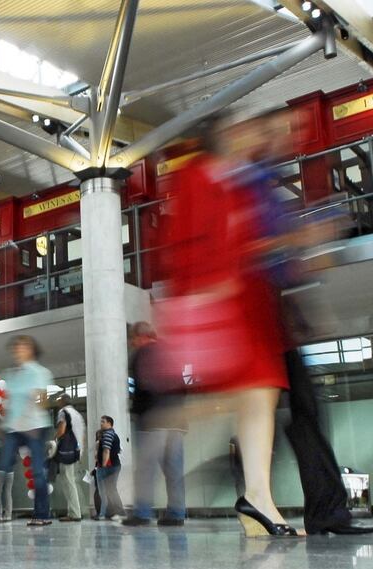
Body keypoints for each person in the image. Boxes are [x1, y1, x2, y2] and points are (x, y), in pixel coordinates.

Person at [232, 112, 373, 536]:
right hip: (264, 311)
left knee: (299, 413)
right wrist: (301, 239)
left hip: (278, 309)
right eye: (273, 129)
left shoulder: (265, 184)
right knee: (291, 412)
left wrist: (303, 260)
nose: (283, 137)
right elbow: (251, 246)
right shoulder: (248, 182)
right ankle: (310, 508)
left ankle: (317, 509)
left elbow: (277, 250)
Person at [151, 122, 296, 537]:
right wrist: (204, 286)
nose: (253, 138)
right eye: (242, 131)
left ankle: (259, 498)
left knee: (259, 397)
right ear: (224, 135)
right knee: (250, 395)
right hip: (223, 299)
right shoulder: (197, 174)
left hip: (247, 300)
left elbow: (248, 236)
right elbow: (184, 241)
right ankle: (256, 497)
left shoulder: (236, 178)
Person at [125, 322, 186, 527]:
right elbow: (183, 386)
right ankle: (177, 513)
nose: (132, 343)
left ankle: (142, 513)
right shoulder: (172, 353)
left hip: (153, 420)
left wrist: (136, 410)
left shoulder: (141, 354)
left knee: (145, 468)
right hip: (176, 420)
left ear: (140, 337)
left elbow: (141, 386)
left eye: (133, 339)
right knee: (174, 470)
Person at [0, 335, 53, 526]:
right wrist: (3, 425)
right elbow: (10, 403)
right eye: (16, 348)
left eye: (22, 347)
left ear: (31, 350)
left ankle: (42, 515)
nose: (18, 350)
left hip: (35, 426)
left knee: (37, 472)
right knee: (2, 464)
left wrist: (37, 404)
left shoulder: (39, 372)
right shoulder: (10, 374)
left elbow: (43, 401)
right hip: (14, 427)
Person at [53, 395, 84, 522]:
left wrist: (53, 440)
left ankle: (75, 513)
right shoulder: (77, 414)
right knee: (71, 482)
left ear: (62, 402)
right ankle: (74, 511)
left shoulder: (63, 412)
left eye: (59, 400)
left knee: (68, 483)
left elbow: (61, 430)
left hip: (66, 452)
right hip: (76, 452)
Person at [94, 416, 125, 520]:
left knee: (105, 492)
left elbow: (106, 451)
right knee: (110, 490)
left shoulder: (107, 434)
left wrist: (102, 466)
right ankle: (109, 513)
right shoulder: (113, 435)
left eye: (103, 422)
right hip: (115, 466)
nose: (101, 423)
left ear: (109, 423)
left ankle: (106, 514)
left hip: (108, 467)